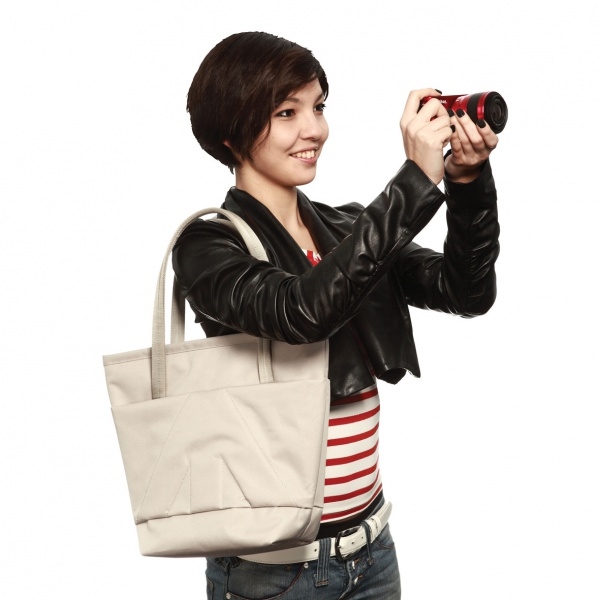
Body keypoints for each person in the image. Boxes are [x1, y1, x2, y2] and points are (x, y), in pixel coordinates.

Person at [173, 31, 500, 600]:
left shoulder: (349, 228)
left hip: (372, 550)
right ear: (229, 132)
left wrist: (466, 182)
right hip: (273, 571)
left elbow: (465, 291)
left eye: (319, 107)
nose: (314, 129)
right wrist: (413, 183)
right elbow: (301, 312)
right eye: (286, 112)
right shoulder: (209, 245)